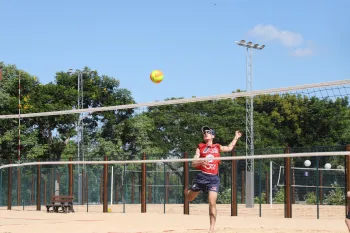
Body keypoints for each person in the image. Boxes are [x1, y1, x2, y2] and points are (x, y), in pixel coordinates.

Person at [184, 126, 242, 233]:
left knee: (212, 202)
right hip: (202, 177)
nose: (206, 133)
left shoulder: (217, 147)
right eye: (204, 132)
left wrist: (236, 137)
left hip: (213, 179)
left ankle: (211, 229)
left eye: (208, 132)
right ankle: (188, 191)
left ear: (213, 136)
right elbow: (193, 163)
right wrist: (200, 161)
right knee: (189, 198)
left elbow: (229, 148)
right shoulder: (200, 147)